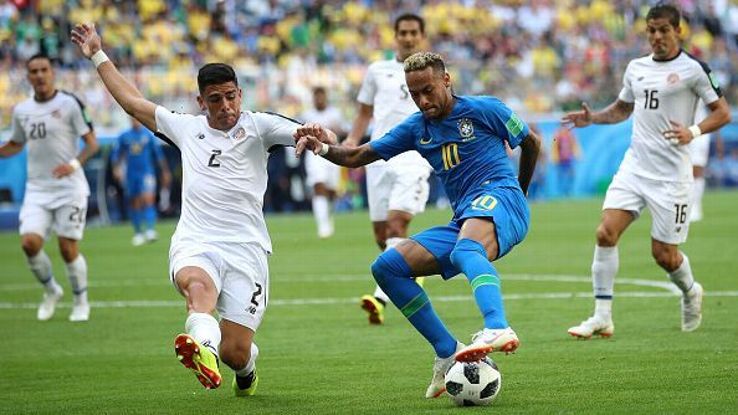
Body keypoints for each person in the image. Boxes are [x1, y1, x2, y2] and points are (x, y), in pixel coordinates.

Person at [72, 23, 303, 396]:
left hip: (247, 248)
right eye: (215, 99)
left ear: (240, 94)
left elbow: (304, 133)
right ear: (201, 101)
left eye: (231, 97)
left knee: (238, 351)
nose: (225, 106)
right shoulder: (185, 129)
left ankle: (240, 369)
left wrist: (319, 137)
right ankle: (204, 352)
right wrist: (98, 54)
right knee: (197, 288)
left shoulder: (260, 126)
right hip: (197, 240)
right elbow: (133, 103)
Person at [294, 52, 541, 398]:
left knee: (466, 248)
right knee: (388, 267)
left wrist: (520, 191)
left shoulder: (486, 109)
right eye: (415, 94)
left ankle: (497, 326)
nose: (423, 101)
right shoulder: (416, 128)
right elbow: (357, 156)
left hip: (500, 198)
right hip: (465, 217)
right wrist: (322, 148)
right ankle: (446, 352)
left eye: (428, 90)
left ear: (446, 80)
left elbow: (532, 142)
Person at [561, 3, 731, 338]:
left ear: (677, 31)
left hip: (671, 177)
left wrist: (693, 132)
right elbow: (623, 109)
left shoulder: (694, 69)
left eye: (663, 30)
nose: (656, 37)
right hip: (635, 168)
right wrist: (593, 117)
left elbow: (722, 112)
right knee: (605, 232)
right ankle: (602, 316)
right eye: (651, 30)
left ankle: (690, 291)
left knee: (664, 256)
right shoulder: (636, 67)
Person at [344, 13, 433, 325]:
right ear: (395, 36)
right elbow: (364, 112)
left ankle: (380, 297)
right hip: (377, 156)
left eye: (413, 33)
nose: (408, 38)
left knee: (397, 226)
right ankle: (415, 271)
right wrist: (352, 142)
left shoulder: (431, 71)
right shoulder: (377, 71)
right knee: (383, 236)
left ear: (421, 36)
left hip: (414, 155)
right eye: (403, 33)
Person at [0, 53, 98, 322]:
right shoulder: (21, 111)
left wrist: (74, 166)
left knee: (68, 249)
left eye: (44, 69)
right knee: (29, 244)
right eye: (34, 71)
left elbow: (92, 143)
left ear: (52, 72)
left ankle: (80, 300)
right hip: (37, 190)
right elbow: (16, 144)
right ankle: (51, 290)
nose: (40, 75)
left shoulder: (70, 103)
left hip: (70, 188)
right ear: (28, 77)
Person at [111, 117, 172, 245]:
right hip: (131, 174)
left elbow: (158, 155)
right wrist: (116, 168)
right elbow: (117, 155)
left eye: (137, 120)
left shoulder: (148, 136)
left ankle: (150, 230)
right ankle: (138, 233)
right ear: (129, 120)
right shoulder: (124, 136)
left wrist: (165, 171)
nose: (135, 121)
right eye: (133, 119)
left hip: (147, 173)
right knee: (135, 202)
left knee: (148, 199)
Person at [300, 86, 344, 238]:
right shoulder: (307, 115)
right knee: (319, 186)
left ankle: (328, 217)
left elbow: (342, 132)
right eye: (316, 96)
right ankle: (323, 226)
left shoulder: (335, 113)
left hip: (332, 153)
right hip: (314, 155)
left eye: (321, 96)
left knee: (331, 191)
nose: (319, 99)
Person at [687, 103, 710, 222]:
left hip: (700, 130)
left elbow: (718, 109)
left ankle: (695, 207)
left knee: (697, 170)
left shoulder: (703, 84)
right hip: (680, 129)